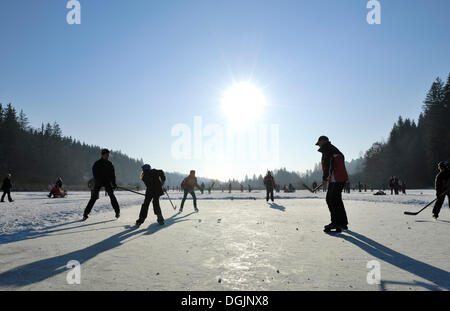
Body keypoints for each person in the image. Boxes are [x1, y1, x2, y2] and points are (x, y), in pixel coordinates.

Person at [315, 136, 349, 233]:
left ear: (323, 141)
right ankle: (342, 222)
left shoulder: (328, 149)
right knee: (335, 199)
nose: (319, 145)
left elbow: (329, 165)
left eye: (319, 142)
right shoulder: (330, 149)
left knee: (332, 199)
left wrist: (325, 178)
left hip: (336, 178)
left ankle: (336, 222)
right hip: (337, 178)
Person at [82, 149, 120, 221]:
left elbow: (113, 175)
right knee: (93, 197)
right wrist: (99, 181)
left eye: (108, 155)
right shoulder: (97, 163)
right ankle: (85, 214)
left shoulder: (110, 164)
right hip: (99, 182)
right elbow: (95, 174)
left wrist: (114, 183)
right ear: (102, 155)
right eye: (106, 155)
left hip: (107, 182)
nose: (108, 156)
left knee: (112, 196)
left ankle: (117, 211)